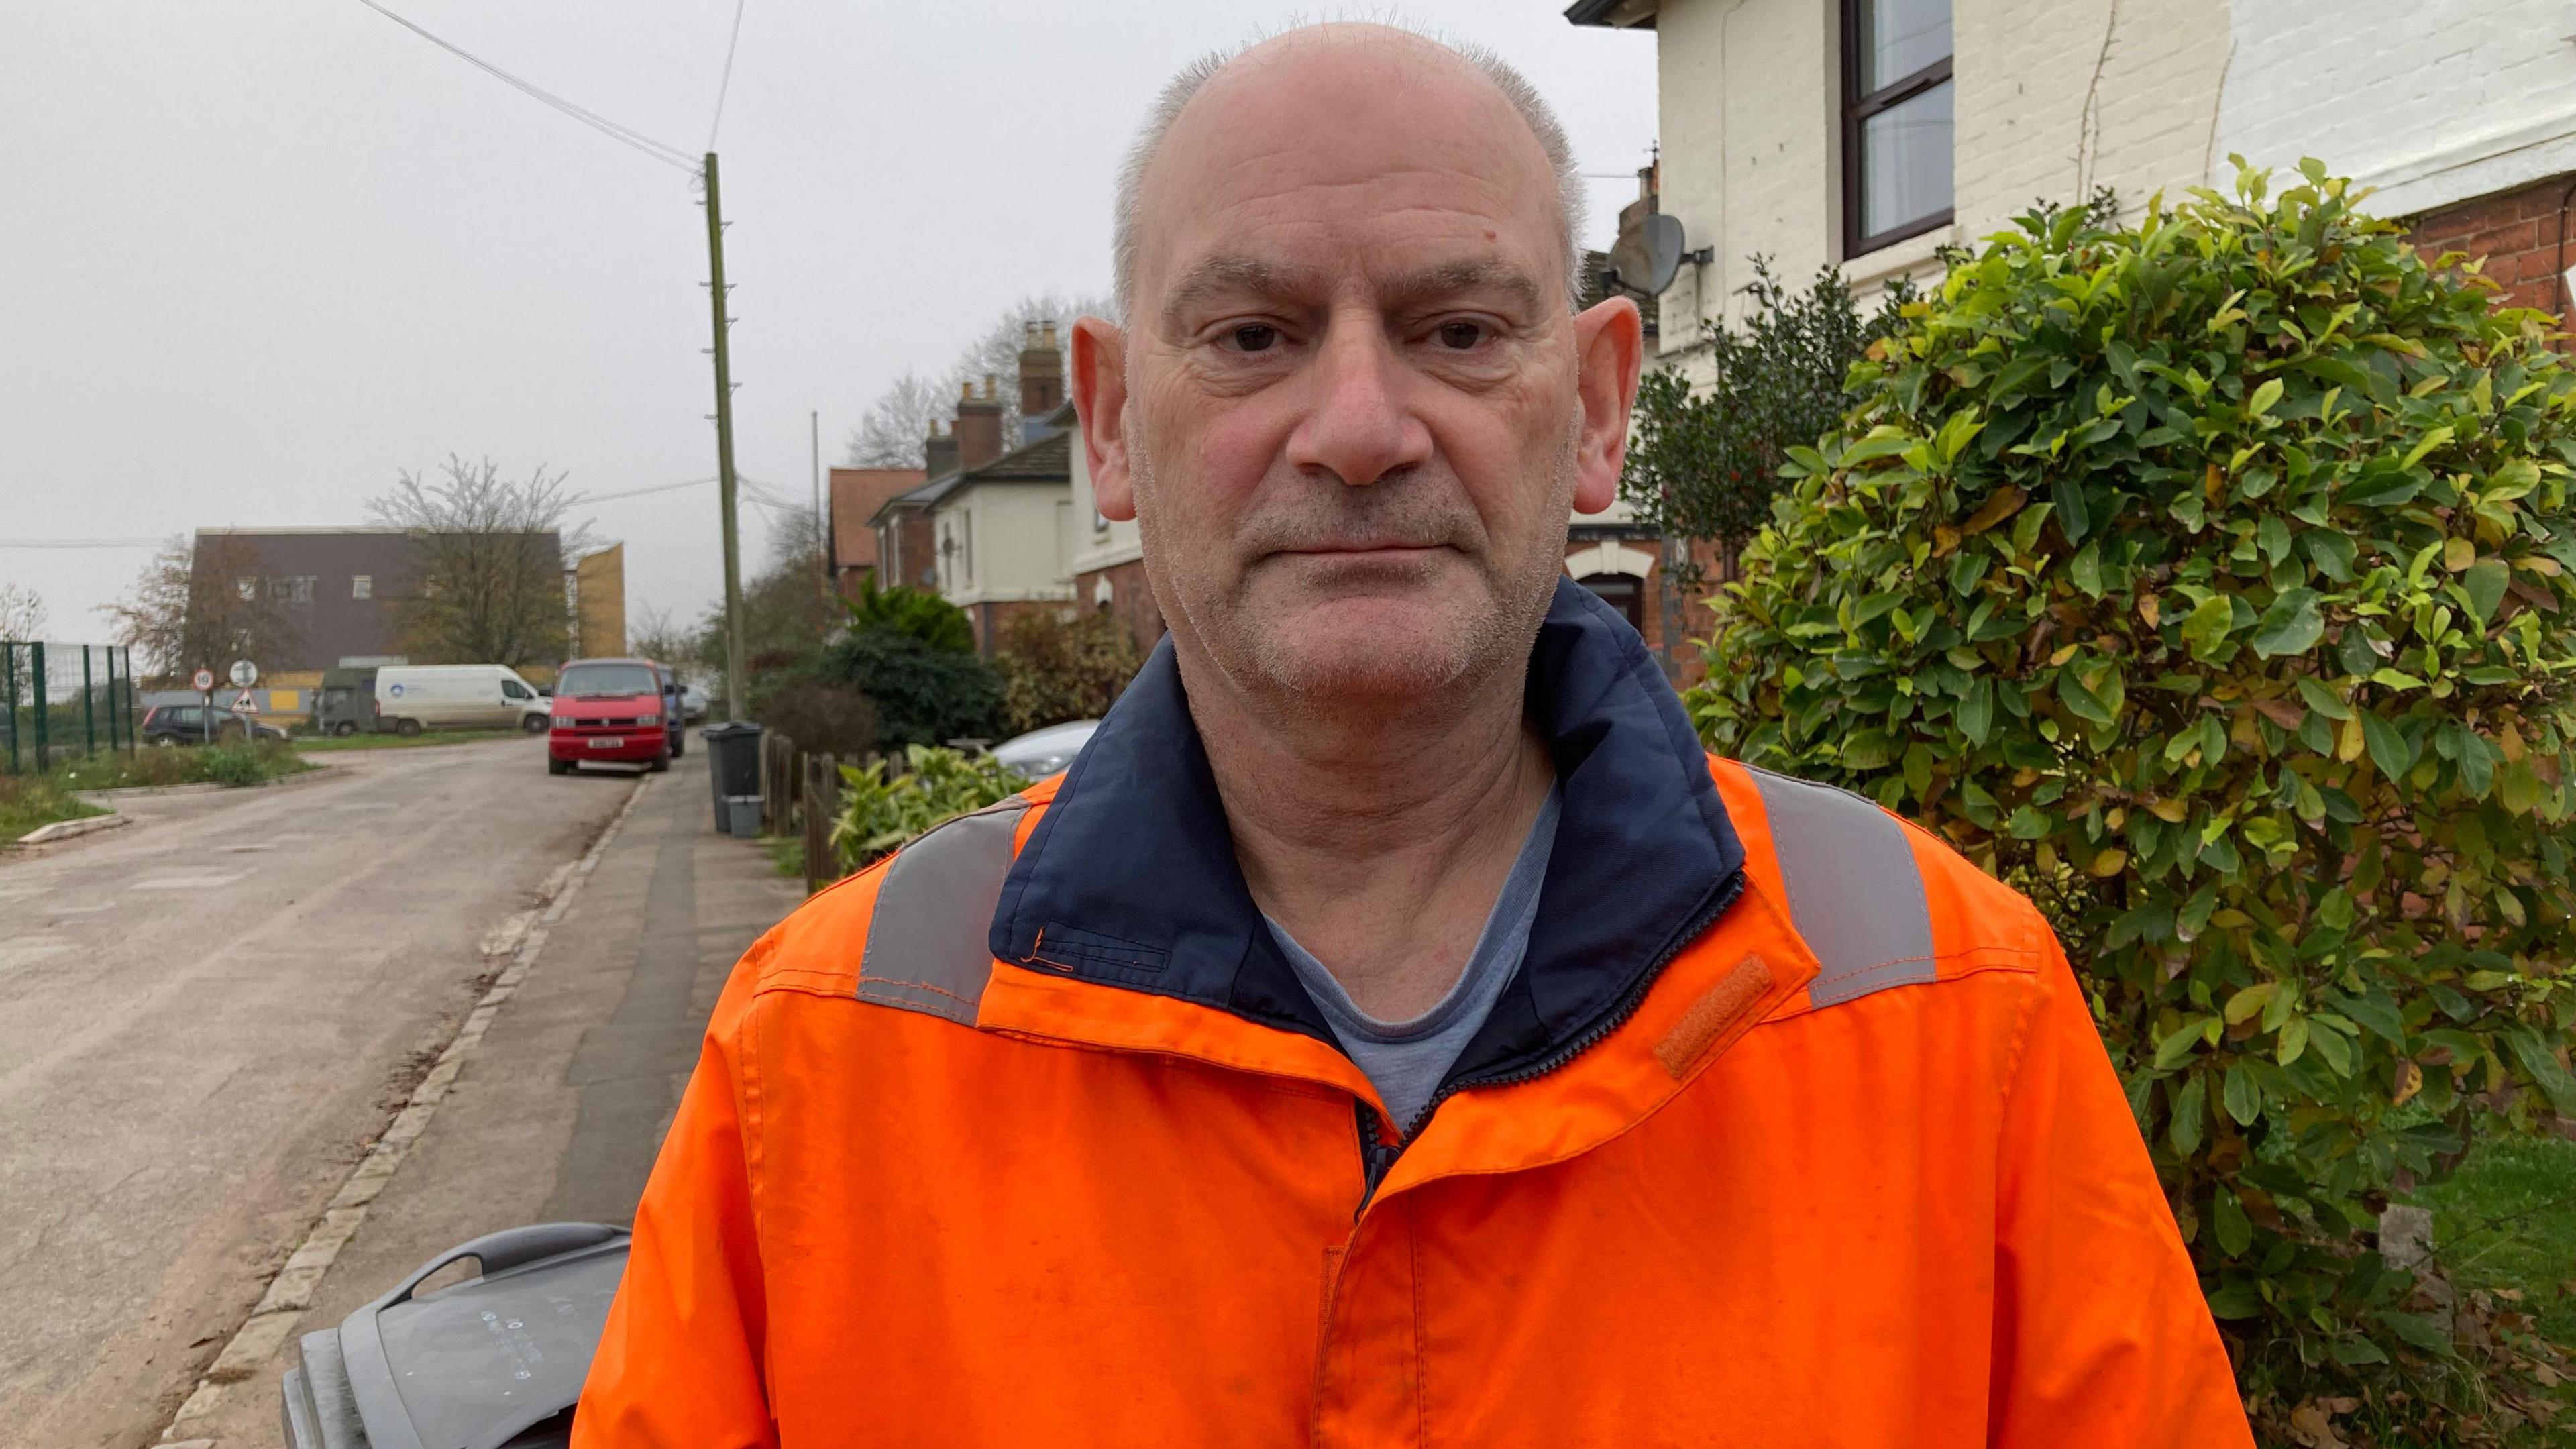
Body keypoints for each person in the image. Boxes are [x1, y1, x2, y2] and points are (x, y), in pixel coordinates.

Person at [576, 23, 2252, 1447]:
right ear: (1109, 424)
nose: (1362, 430)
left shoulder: (1955, 1011)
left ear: (1596, 407)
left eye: (1458, 331)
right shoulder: (822, 1060)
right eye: (1253, 338)